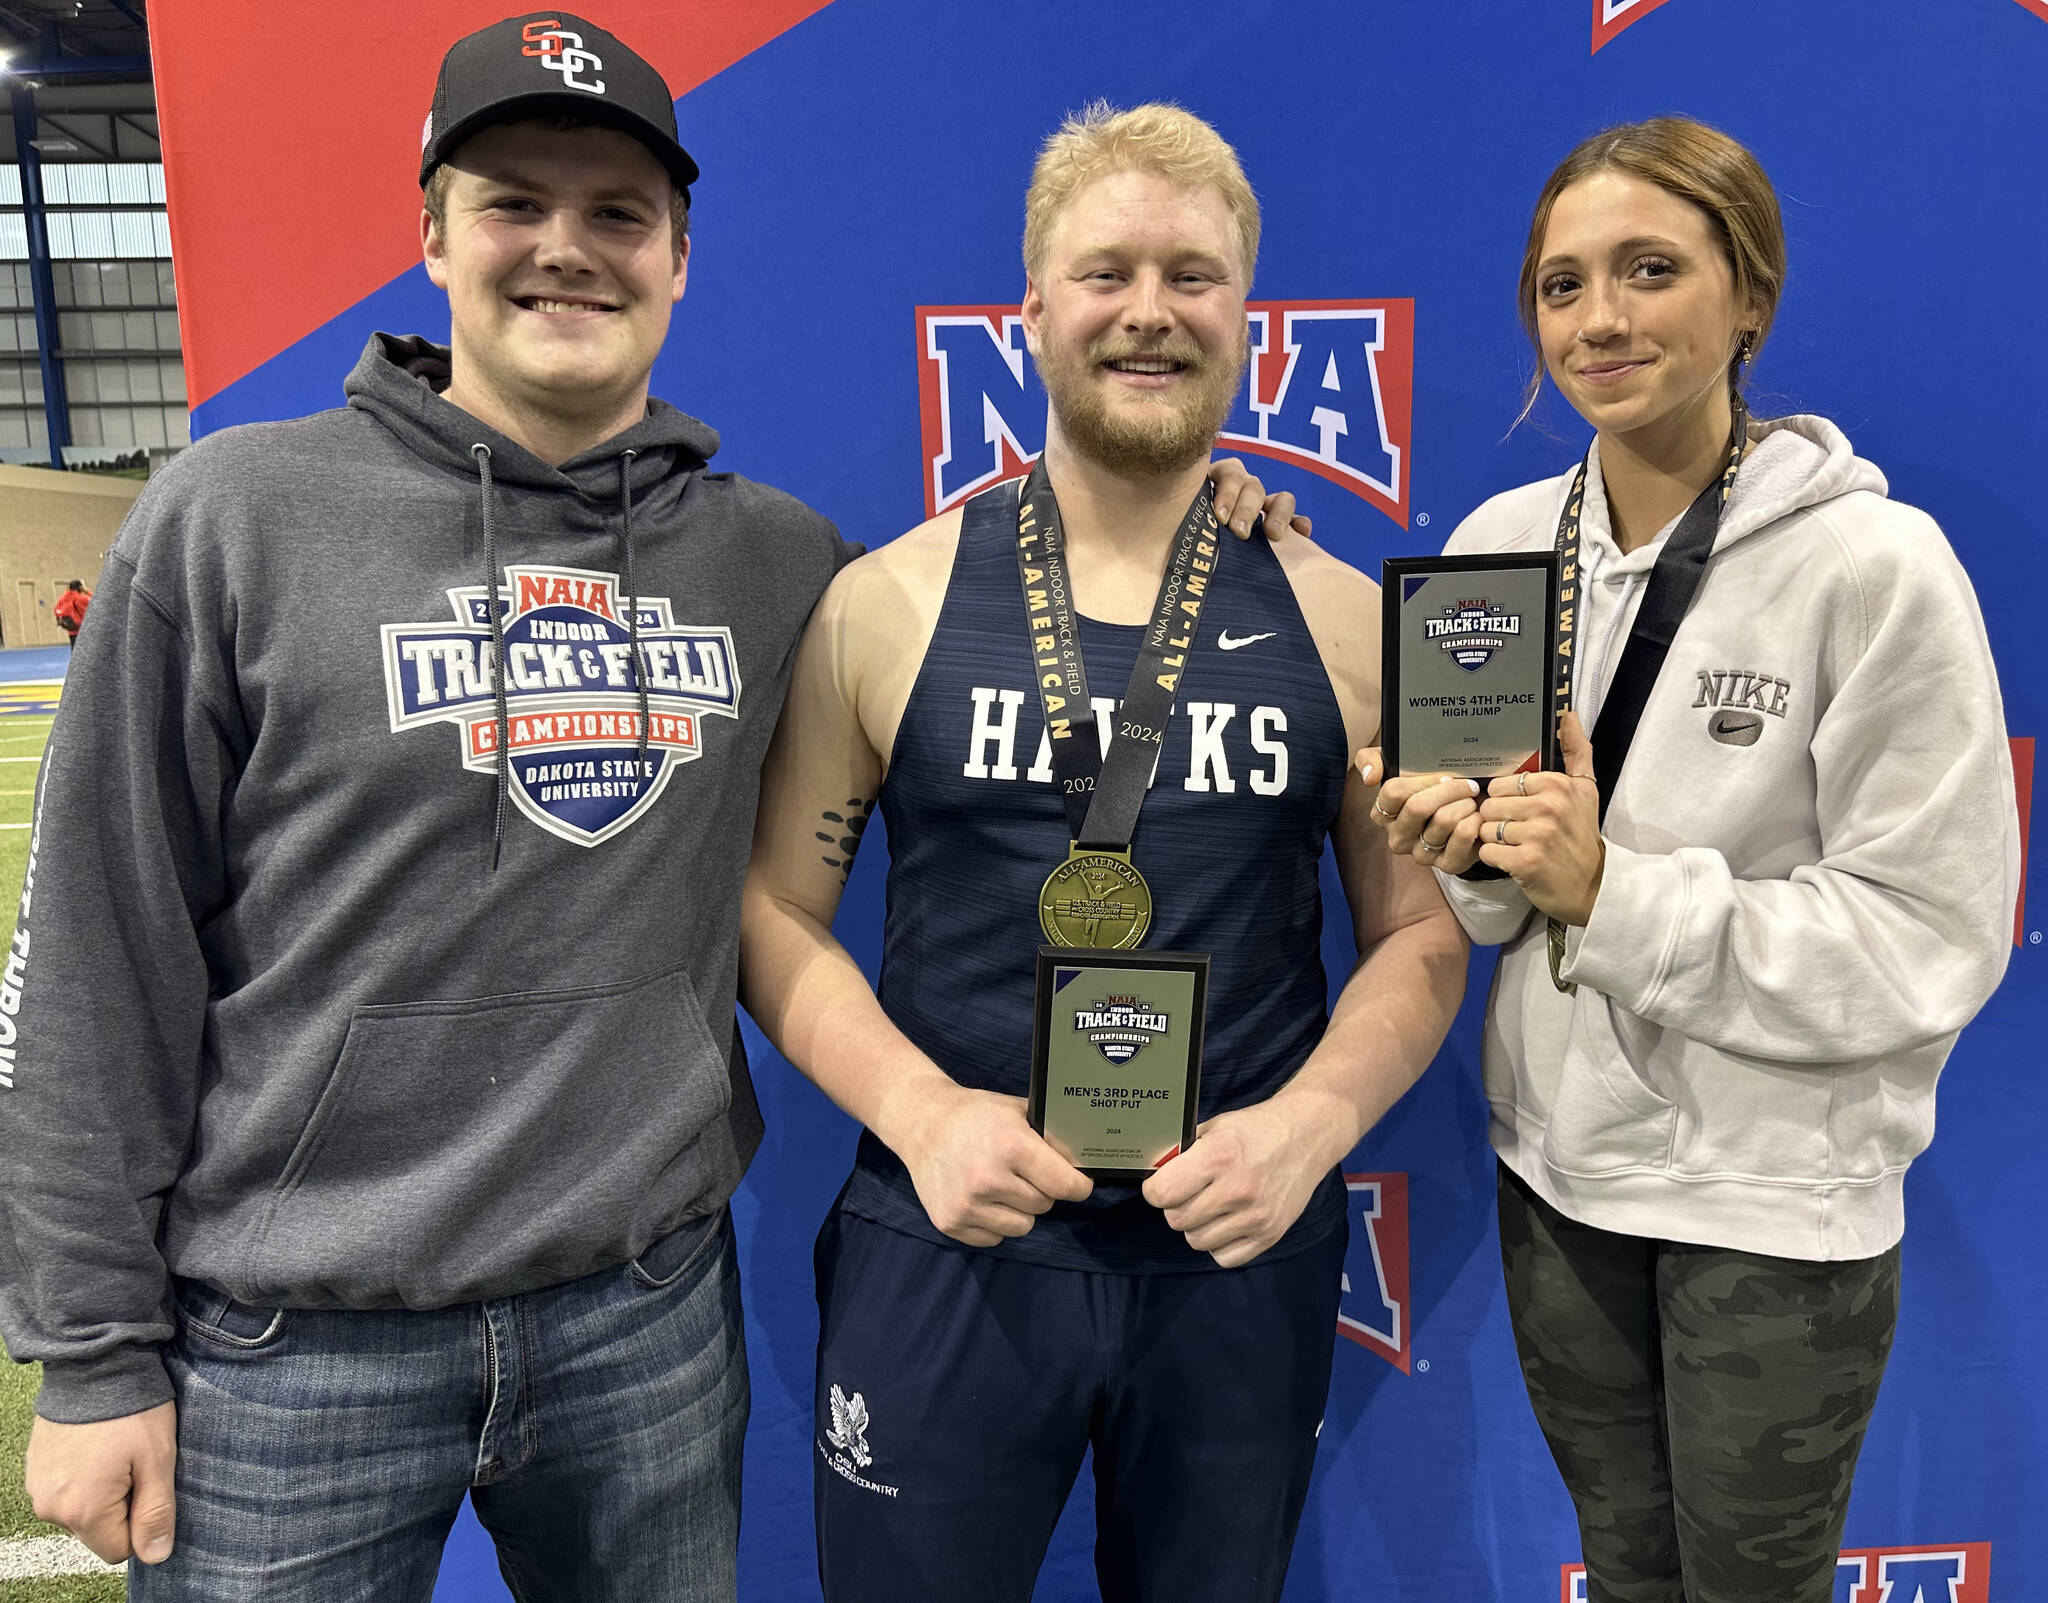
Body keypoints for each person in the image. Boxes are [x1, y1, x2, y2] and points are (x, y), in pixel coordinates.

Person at [0, 19, 1300, 1598]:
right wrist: (86, 1349)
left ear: (679, 255)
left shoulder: (777, 562)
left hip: (641, 1315)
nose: (566, 250)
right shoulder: (231, 515)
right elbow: (92, 951)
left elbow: (1071, 563)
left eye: (617, 213)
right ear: (429, 231)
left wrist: (1218, 509)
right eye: (513, 204)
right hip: (295, 1339)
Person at [740, 102, 1467, 1603]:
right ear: (1033, 313)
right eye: (1106, 272)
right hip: (949, 1232)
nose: (1150, 310)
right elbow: (774, 910)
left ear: (1248, 317)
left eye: (1193, 275)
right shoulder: (889, 600)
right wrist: (926, 1113)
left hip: (1232, 1242)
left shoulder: (1339, 616)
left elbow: (1422, 931)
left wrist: (1312, 1125)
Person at [1361, 117, 2019, 1603]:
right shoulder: (1498, 544)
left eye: (1650, 270)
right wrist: (1464, 847)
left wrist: (1615, 889)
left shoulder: (1876, 567)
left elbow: (1929, 937)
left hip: (1773, 1207)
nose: (1599, 318)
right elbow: (1494, 907)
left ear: (1750, 299)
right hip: (1562, 1179)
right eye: (1561, 283)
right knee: (1623, 1571)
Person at [52, 580, 89, 648]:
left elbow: (57, 609)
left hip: (70, 628)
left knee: (74, 649)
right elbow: (95, 601)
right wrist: (87, 592)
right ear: (80, 588)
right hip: (80, 628)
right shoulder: (80, 598)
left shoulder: (64, 597)